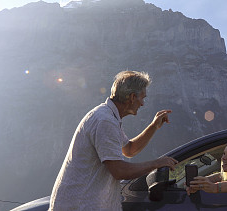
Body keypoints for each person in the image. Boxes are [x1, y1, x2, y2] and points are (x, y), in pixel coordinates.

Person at [49, 70, 178, 210]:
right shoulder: (105, 121)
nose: (143, 104)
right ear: (132, 97)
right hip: (81, 205)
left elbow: (128, 149)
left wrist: (153, 127)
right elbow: (119, 171)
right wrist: (157, 163)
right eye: (142, 98)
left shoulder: (107, 116)